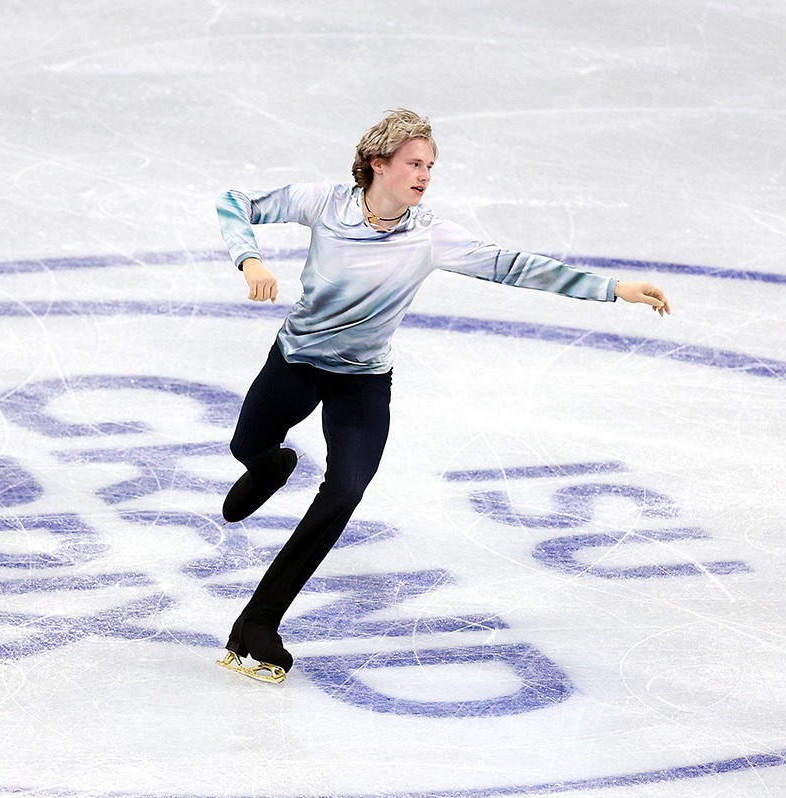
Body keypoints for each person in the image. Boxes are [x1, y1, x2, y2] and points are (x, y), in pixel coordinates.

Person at [213, 109, 671, 684]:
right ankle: (271, 464)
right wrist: (249, 259)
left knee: (345, 491)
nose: (425, 174)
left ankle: (258, 623)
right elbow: (236, 202)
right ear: (378, 163)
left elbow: (511, 266)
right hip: (298, 363)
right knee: (248, 445)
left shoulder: (428, 235)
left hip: (363, 381)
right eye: (414, 163)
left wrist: (613, 289)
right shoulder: (324, 204)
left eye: (430, 165)